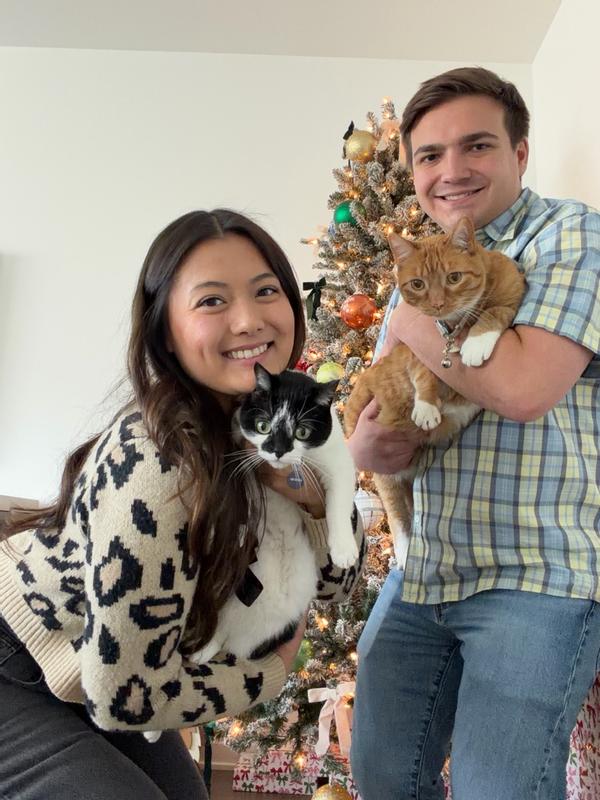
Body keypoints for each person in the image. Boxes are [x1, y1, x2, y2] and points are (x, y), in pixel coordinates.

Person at [0, 209, 364, 800]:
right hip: (21, 653)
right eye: (212, 301)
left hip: (95, 669)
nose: (248, 320)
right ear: (165, 332)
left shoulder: (274, 421)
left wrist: (313, 496)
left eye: (266, 291)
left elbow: (337, 587)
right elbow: (124, 699)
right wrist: (271, 671)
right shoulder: (157, 464)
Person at [348, 67, 600, 799]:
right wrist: (365, 449)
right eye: (430, 155)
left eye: (477, 146)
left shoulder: (572, 235)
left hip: (536, 575)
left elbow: (523, 388)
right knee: (383, 778)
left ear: (520, 152)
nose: (451, 171)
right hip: (424, 568)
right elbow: (383, 395)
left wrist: (414, 322)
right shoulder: (418, 271)